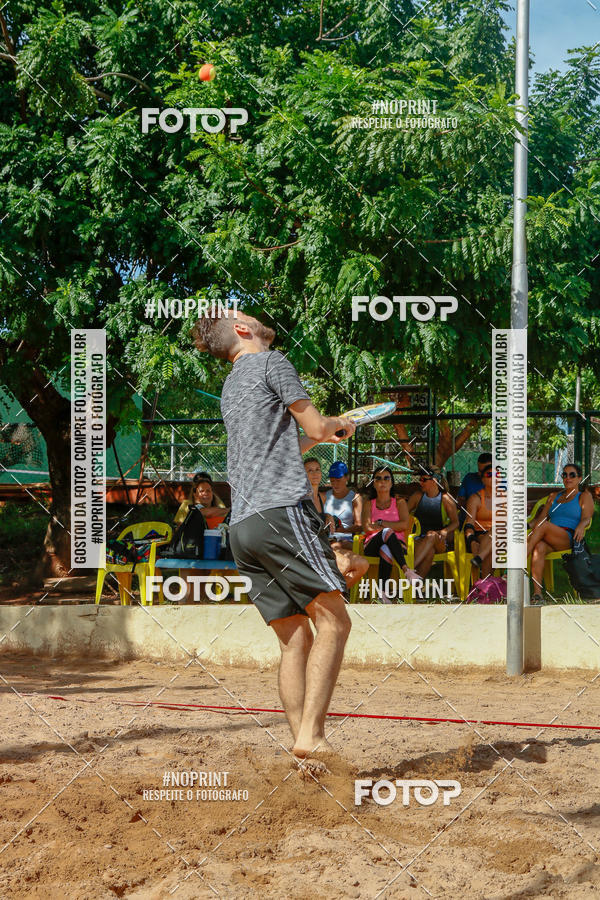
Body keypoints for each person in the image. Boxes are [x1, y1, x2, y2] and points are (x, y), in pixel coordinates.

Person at [192, 308, 356, 763]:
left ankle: (304, 750)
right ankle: (312, 737)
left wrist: (323, 436)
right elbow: (316, 425)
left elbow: (285, 445)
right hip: (280, 513)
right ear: (241, 329)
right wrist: (335, 424)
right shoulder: (272, 361)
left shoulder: (231, 386)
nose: (255, 317)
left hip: (243, 527)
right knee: (335, 622)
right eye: (245, 313)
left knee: (294, 639)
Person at [527, 464, 594, 605]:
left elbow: (587, 517)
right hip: (548, 536)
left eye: (572, 475)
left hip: (568, 537)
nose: (568, 478)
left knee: (544, 526)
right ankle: (537, 594)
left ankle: (516, 564)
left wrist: (581, 525)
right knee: (539, 547)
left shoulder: (584, 496)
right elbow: (540, 520)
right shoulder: (553, 496)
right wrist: (525, 528)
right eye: (565, 475)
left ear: (579, 478)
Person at [303, 458, 369, 588]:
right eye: (310, 470)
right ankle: (324, 594)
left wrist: (332, 521)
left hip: (336, 540)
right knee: (344, 562)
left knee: (362, 564)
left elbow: (359, 525)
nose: (315, 473)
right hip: (315, 546)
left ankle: (333, 595)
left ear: (346, 478)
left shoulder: (323, 497)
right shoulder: (304, 498)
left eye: (317, 469)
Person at [361, 465, 421, 601]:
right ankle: (406, 570)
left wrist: (380, 523)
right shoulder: (368, 504)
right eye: (378, 478)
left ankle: (382, 594)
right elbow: (367, 528)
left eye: (386, 478)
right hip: (372, 545)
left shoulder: (400, 503)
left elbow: (404, 525)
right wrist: (390, 527)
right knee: (387, 532)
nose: (382, 481)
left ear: (392, 482)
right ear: (373, 484)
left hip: (397, 545)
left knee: (386, 547)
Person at [406, 468, 458, 577]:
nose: (420, 482)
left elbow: (455, 522)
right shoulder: (417, 496)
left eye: (424, 480)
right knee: (429, 552)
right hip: (419, 538)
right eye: (420, 479)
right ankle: (416, 585)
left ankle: (407, 569)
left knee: (431, 535)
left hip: (439, 540)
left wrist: (445, 531)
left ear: (434, 481)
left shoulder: (446, 499)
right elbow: (403, 515)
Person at [463, 463, 494, 581]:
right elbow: (469, 525)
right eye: (489, 474)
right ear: (483, 479)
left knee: (499, 528)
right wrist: (471, 540)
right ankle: (487, 584)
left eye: (497, 475)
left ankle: (480, 558)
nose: (494, 477)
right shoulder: (475, 498)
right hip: (482, 535)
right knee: (491, 544)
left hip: (505, 536)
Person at [323, 461, 363, 538]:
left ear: (347, 477)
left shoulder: (355, 498)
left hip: (345, 539)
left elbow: (359, 525)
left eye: (338, 480)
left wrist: (344, 530)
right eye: (332, 481)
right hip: (326, 538)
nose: (335, 484)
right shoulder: (324, 496)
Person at [457, 453, 492, 526]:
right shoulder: (469, 478)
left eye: (486, 471)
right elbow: (460, 501)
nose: (482, 474)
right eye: (480, 471)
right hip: (468, 521)